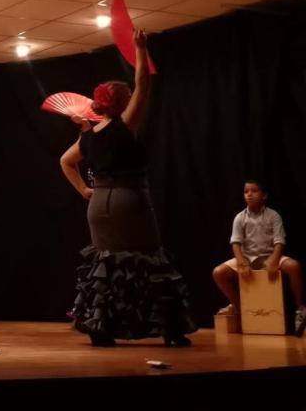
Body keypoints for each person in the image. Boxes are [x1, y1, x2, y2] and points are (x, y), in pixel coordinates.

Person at [60, 29, 196, 347]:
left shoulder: (88, 135)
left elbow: (65, 162)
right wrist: (140, 50)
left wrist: (83, 190)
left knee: (106, 264)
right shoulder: (124, 125)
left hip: (99, 204)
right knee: (149, 260)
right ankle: (171, 330)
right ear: (120, 104)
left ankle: (101, 327)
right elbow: (144, 86)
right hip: (128, 199)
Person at [211, 180, 305, 337]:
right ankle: (240, 307)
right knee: (218, 273)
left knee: (294, 266)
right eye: (246, 191)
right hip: (248, 257)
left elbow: (279, 241)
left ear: (264, 196)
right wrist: (241, 261)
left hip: (269, 256)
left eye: (254, 191)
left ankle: (300, 308)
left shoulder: (273, 216)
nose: (249, 194)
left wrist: (274, 260)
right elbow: (235, 242)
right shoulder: (240, 217)